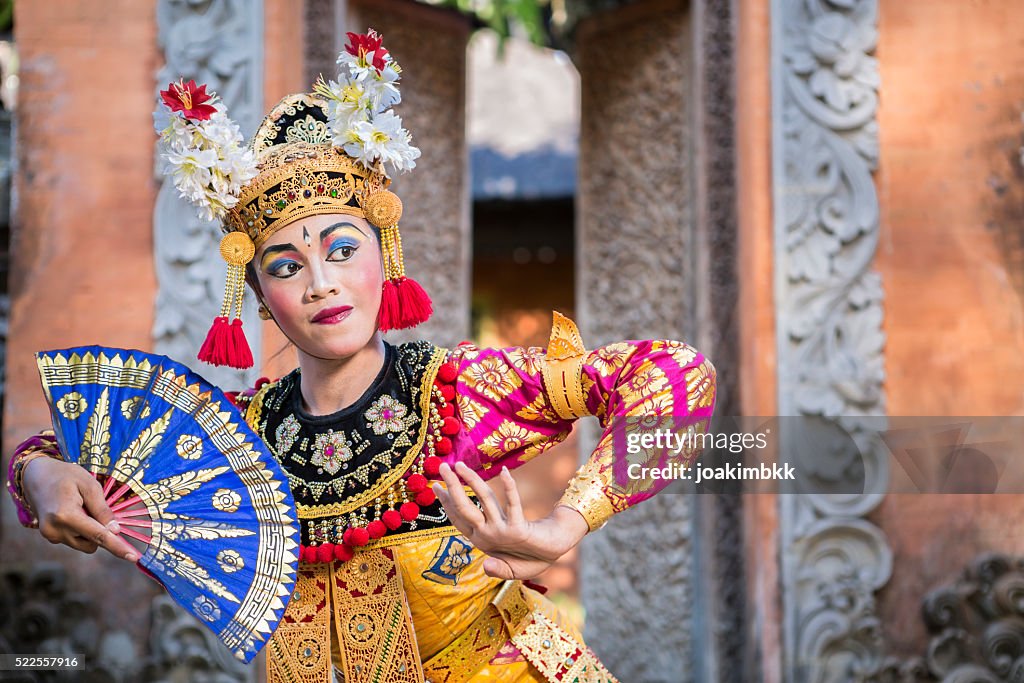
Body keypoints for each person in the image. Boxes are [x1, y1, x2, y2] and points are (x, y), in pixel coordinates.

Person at [5, 30, 716, 682]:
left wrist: (567, 524)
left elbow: (674, 377)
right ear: (257, 293)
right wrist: (39, 475)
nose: (321, 283)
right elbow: (66, 452)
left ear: (385, 254)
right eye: (285, 266)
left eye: (343, 250)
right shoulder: (237, 446)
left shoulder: (460, 393)